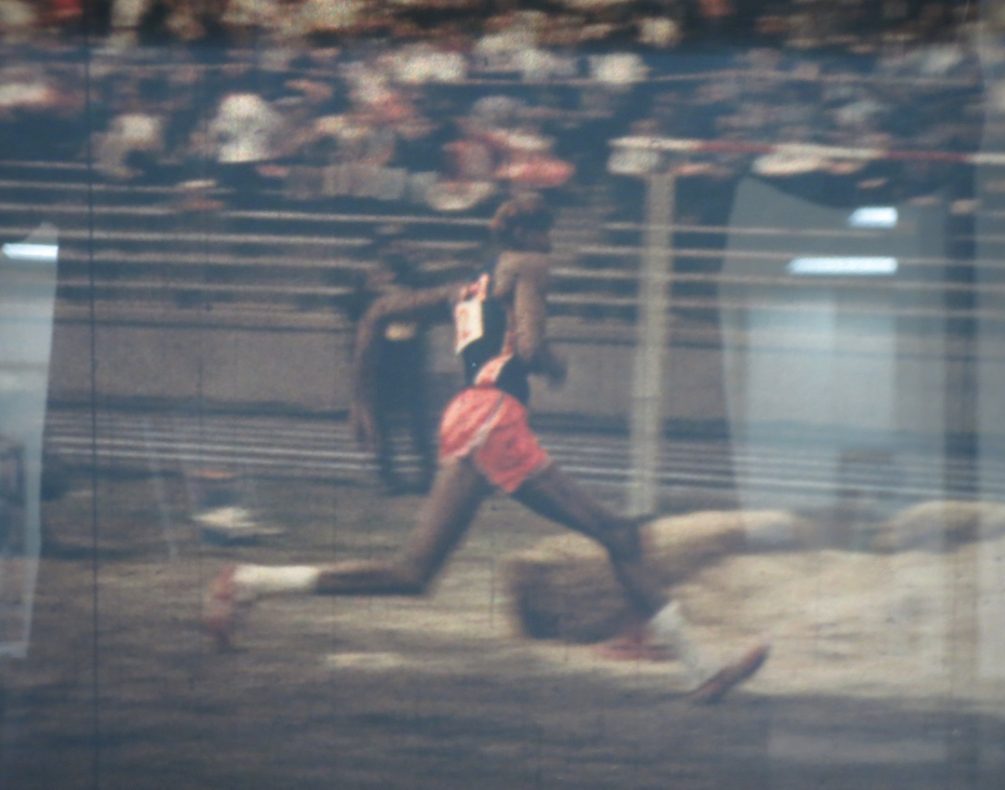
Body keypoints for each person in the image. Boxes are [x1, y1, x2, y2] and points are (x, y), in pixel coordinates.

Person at [203, 194, 769, 704]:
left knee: (414, 573)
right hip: (494, 418)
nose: (550, 246)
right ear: (534, 234)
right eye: (548, 234)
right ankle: (699, 670)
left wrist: (362, 404)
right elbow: (529, 342)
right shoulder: (531, 264)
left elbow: (376, 313)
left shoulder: (462, 288)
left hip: (468, 415)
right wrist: (553, 363)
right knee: (619, 534)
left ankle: (251, 583)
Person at [347, 228, 435, 494]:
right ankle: (388, 474)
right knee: (381, 418)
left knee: (417, 418)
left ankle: (425, 473)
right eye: (389, 243)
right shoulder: (367, 277)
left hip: (408, 353)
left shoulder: (415, 274)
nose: (394, 249)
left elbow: (428, 307)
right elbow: (355, 311)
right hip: (381, 354)